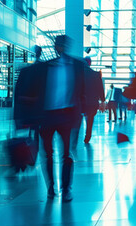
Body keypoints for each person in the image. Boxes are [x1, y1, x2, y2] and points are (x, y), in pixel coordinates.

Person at [14, 35, 89, 202]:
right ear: (55, 46)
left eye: (63, 44)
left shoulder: (77, 66)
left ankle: (66, 187)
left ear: (66, 46)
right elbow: (31, 89)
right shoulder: (44, 68)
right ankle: (51, 187)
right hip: (47, 116)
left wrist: (80, 114)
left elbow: (82, 92)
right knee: (47, 154)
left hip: (67, 116)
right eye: (58, 44)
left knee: (66, 154)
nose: (60, 47)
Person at [82, 57, 105, 143]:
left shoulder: (79, 74)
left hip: (82, 101)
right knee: (90, 119)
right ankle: (88, 136)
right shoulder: (96, 74)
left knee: (81, 118)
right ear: (90, 63)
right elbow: (100, 89)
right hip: (92, 102)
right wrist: (102, 100)